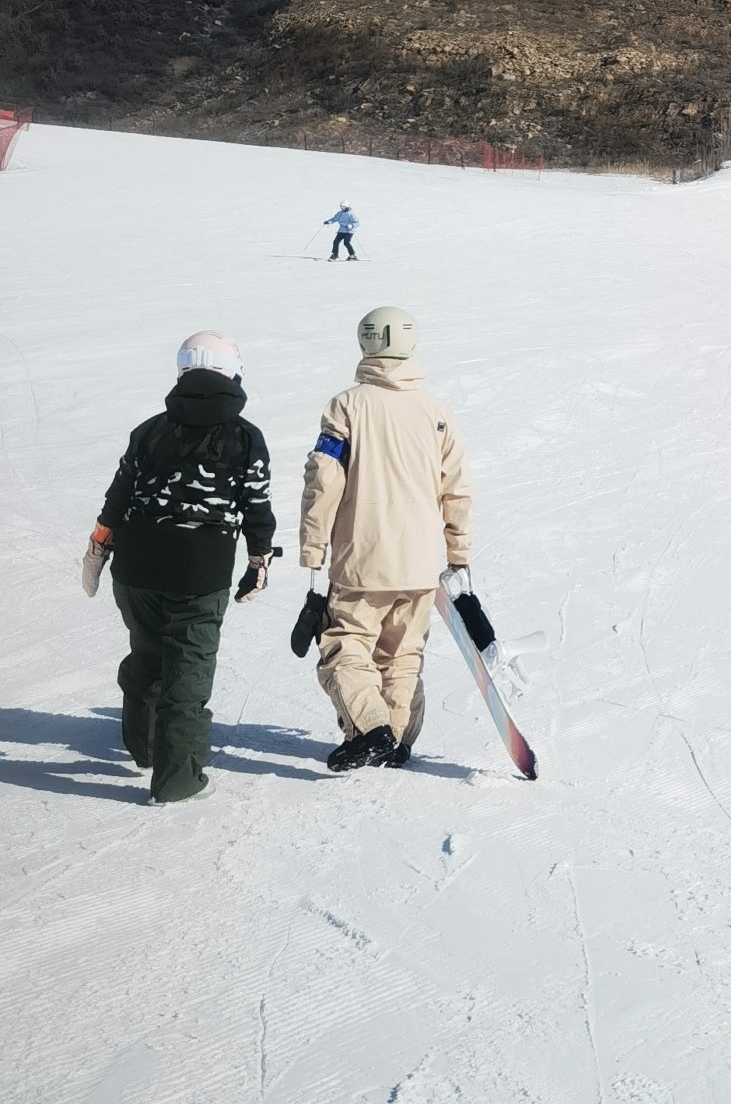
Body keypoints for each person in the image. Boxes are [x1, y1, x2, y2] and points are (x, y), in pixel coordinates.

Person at [83, 332, 275, 805]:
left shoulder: (150, 429)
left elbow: (119, 496)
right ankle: (179, 781)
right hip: (199, 573)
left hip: (136, 567)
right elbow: (256, 506)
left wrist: (98, 548)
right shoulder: (246, 437)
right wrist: (258, 560)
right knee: (187, 671)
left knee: (147, 653)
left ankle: (145, 748)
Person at [300, 304, 473, 773]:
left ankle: (373, 730)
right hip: (419, 562)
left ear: (365, 343)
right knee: (402, 653)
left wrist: (313, 547)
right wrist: (458, 552)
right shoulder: (437, 410)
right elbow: (456, 486)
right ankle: (395, 743)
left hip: (361, 556)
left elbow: (324, 480)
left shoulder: (347, 405)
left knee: (345, 643)